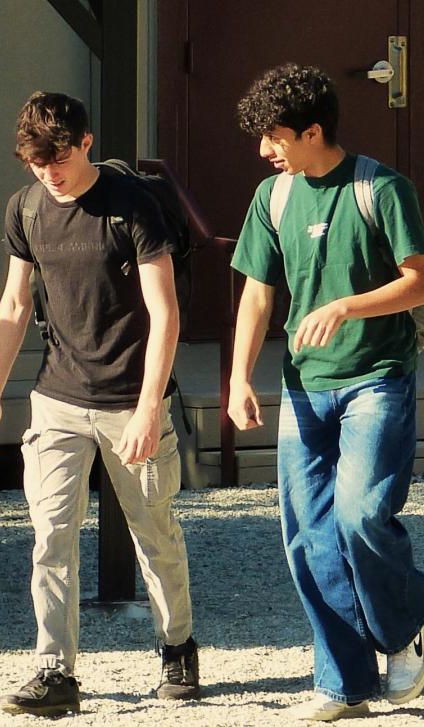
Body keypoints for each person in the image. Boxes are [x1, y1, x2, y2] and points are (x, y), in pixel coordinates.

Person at [0, 91, 199, 717]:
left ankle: (177, 644)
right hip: (57, 401)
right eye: (38, 162)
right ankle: (55, 672)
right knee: (51, 535)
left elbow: (165, 312)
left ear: (86, 142)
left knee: (153, 532)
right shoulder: (26, 209)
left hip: (133, 399)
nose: (52, 172)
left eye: (61, 157)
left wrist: (151, 408)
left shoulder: (134, 206)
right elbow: (15, 305)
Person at [229, 63, 424, 721]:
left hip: (377, 379)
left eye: (275, 137)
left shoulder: (382, 189)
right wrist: (237, 376)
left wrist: (346, 306)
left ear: (313, 131)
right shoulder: (274, 197)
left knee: (360, 516)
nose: (265, 151)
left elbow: (419, 283)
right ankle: (345, 684)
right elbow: (258, 294)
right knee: (307, 535)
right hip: (302, 388)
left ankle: (407, 628)